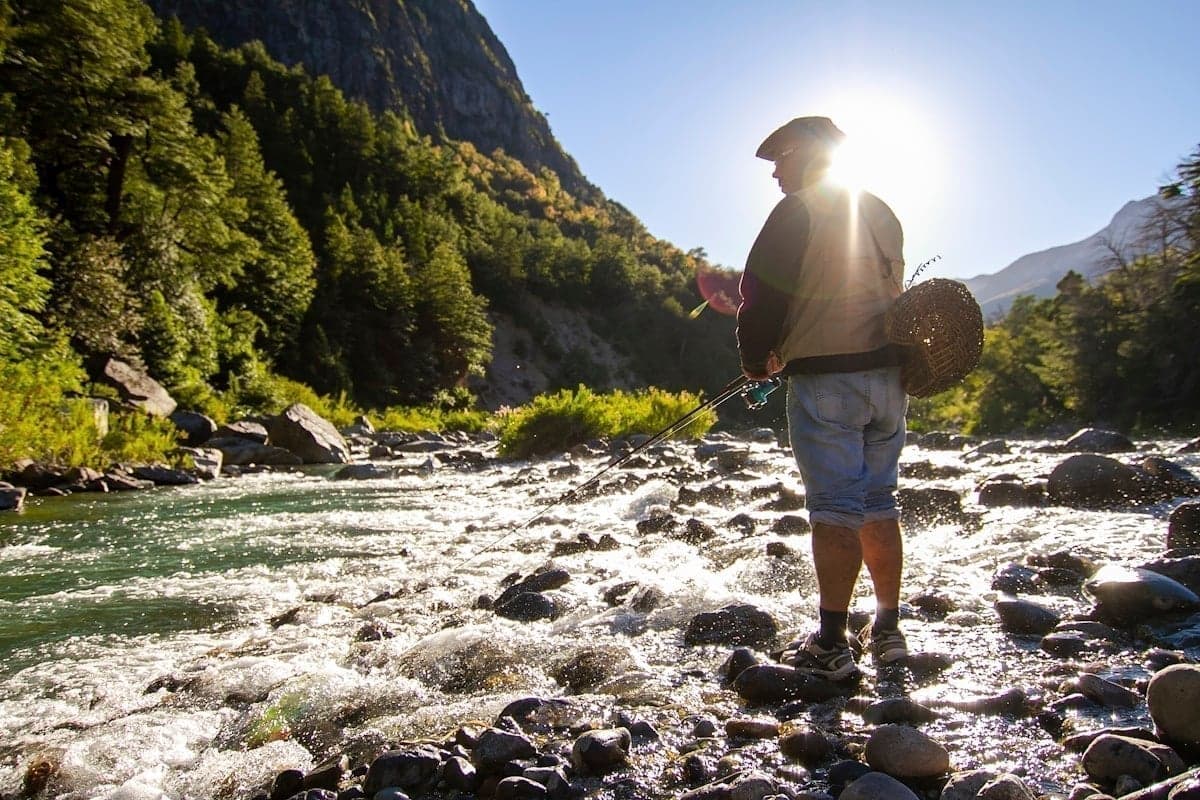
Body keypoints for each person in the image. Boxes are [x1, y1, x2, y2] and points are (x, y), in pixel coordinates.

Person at [736, 116, 908, 681]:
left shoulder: (799, 210)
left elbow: (760, 294)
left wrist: (757, 358)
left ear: (809, 153)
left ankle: (832, 644)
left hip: (827, 383)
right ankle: (887, 631)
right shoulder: (880, 209)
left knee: (834, 508)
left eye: (781, 158)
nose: (777, 173)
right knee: (879, 502)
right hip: (888, 380)